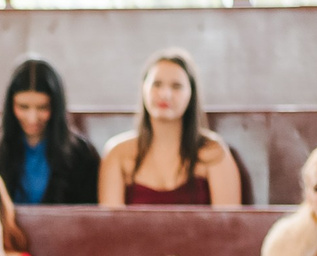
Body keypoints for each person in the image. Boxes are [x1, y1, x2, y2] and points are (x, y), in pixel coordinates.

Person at [98, 50, 240, 208]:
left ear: (191, 94)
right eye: (156, 84)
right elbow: (110, 227)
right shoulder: (116, 153)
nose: (165, 94)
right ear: (143, 89)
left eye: (176, 86)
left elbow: (229, 225)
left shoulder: (214, 151)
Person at [0, 58, 99, 206]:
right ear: (10, 105)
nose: (32, 118)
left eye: (43, 107)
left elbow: (89, 216)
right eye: (23, 107)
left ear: (56, 107)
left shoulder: (82, 153)